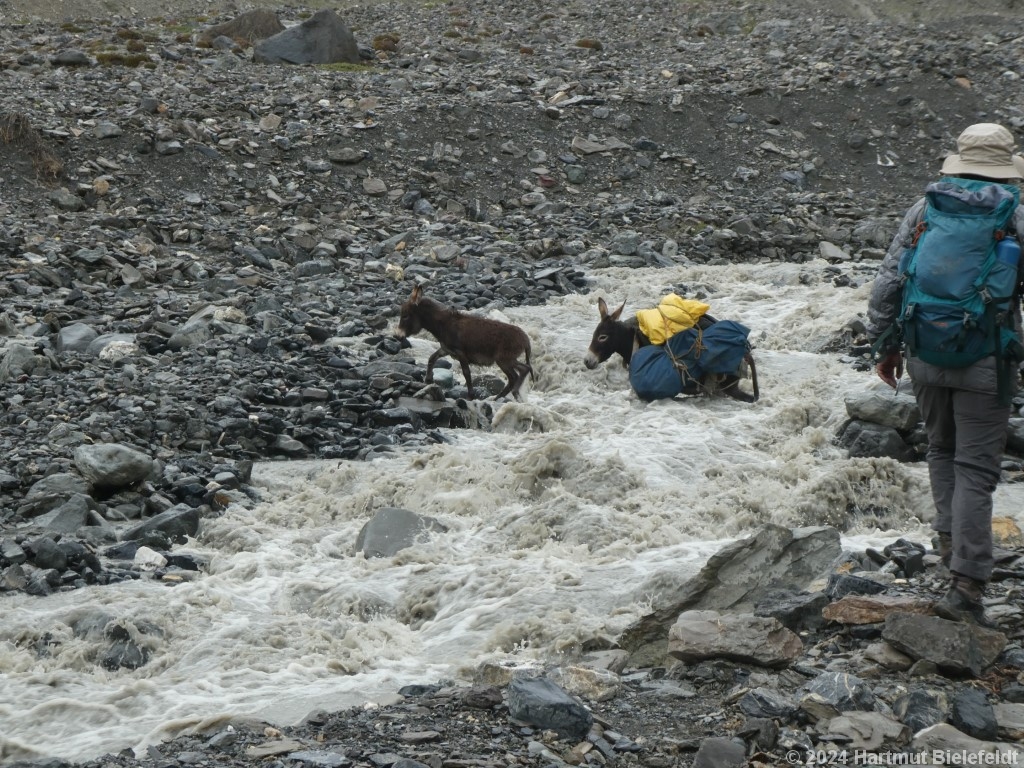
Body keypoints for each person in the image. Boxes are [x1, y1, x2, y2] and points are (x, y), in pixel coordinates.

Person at [866, 122, 1024, 628]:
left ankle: (950, 549)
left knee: (940, 450)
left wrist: (885, 344)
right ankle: (967, 585)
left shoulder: (925, 209)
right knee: (977, 468)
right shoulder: (1016, 213)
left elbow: (889, 281)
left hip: (924, 351)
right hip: (986, 358)